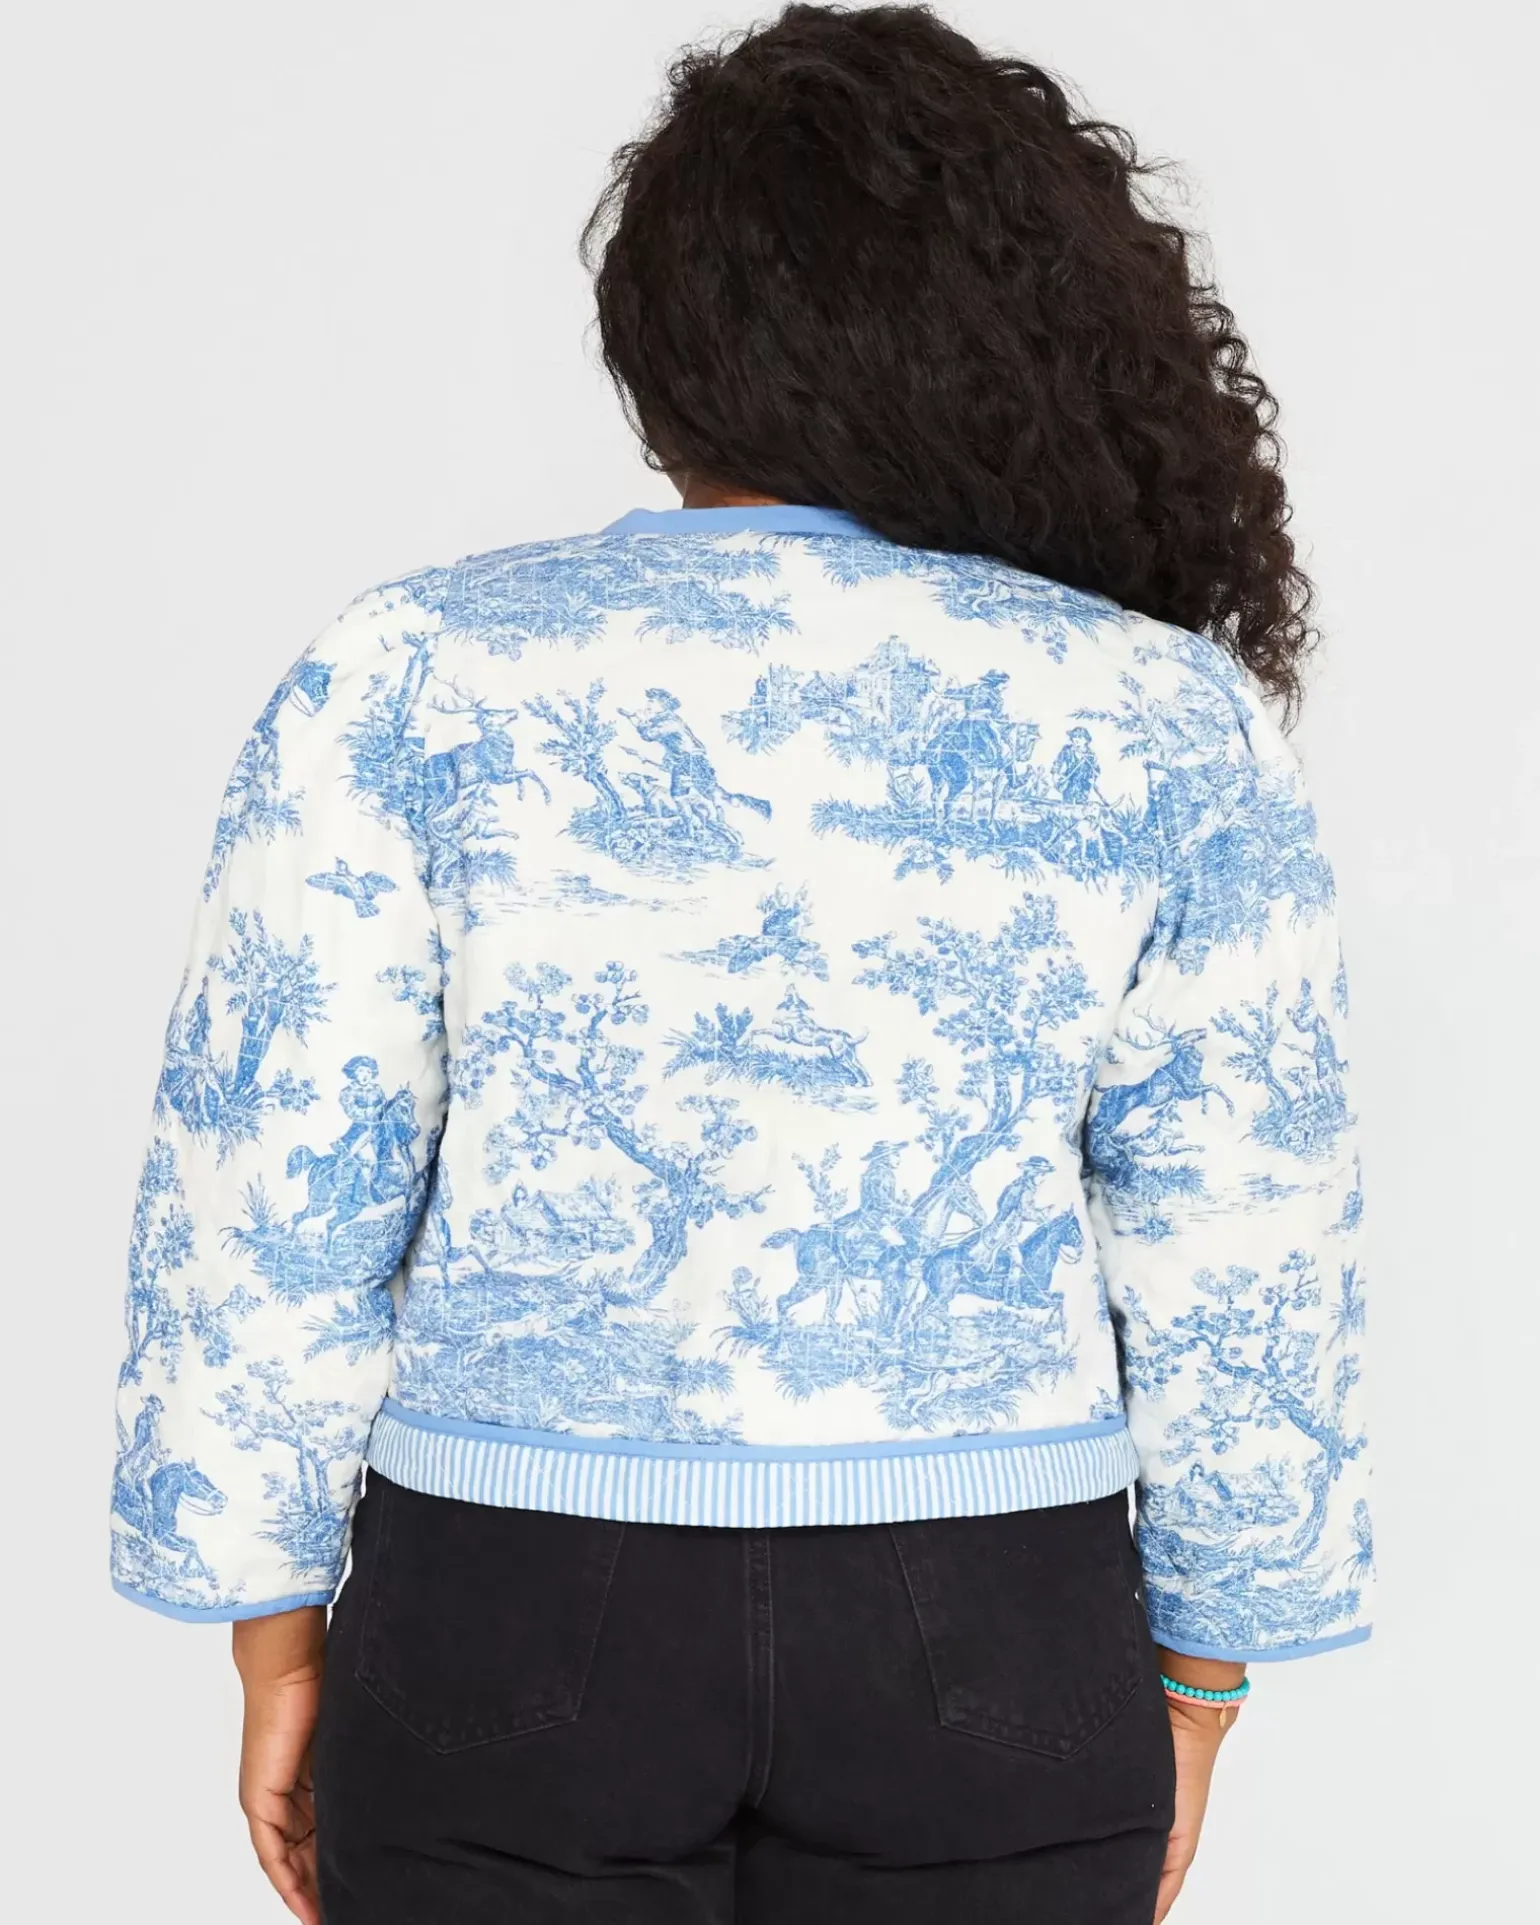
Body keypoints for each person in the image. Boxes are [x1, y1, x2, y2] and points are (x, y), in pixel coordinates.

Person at [110, 7, 1373, 1922]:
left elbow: (269, 1165)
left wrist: (274, 1633)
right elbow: (1245, 1225)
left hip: (506, 1598)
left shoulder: (415, 665)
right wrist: (1202, 1672)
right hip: (999, 1615)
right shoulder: (1165, 714)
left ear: (659, 346)